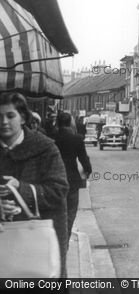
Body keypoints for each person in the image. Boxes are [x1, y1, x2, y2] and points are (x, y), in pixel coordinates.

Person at [0, 92, 69, 277]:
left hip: (38, 250)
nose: (4, 122)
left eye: (10, 115)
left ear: (22, 117)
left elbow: (59, 191)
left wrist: (21, 190)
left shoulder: (45, 149)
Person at [54, 112, 92, 237]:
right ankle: (66, 237)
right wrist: (88, 170)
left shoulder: (51, 138)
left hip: (54, 179)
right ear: (70, 123)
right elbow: (84, 159)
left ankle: (58, 237)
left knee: (56, 211)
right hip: (71, 180)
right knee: (70, 212)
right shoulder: (77, 139)